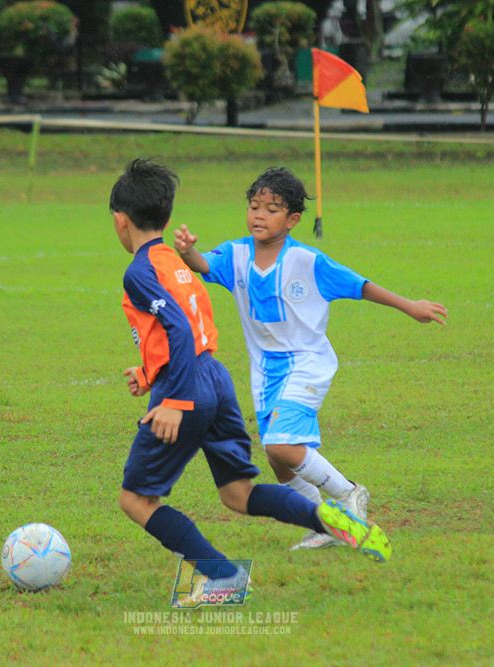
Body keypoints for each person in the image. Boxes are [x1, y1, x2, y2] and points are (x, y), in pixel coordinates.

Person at [111, 158, 390, 596]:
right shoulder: (175, 262)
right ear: (164, 218)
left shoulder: (140, 271)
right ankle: (328, 519)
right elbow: (193, 325)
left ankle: (224, 578)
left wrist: (171, 399)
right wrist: (148, 372)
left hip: (184, 390)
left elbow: (181, 330)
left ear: (120, 220)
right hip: (215, 381)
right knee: (237, 494)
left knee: (136, 500)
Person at [174, 166, 448, 551]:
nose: (259, 215)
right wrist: (188, 252)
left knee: (284, 446)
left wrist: (409, 306)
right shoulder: (236, 254)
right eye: (254, 206)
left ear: (292, 220)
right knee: (277, 458)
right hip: (266, 372)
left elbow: (360, 286)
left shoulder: (308, 260)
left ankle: (349, 494)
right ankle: (325, 525)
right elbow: (204, 265)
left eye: (271, 209)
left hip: (307, 364)